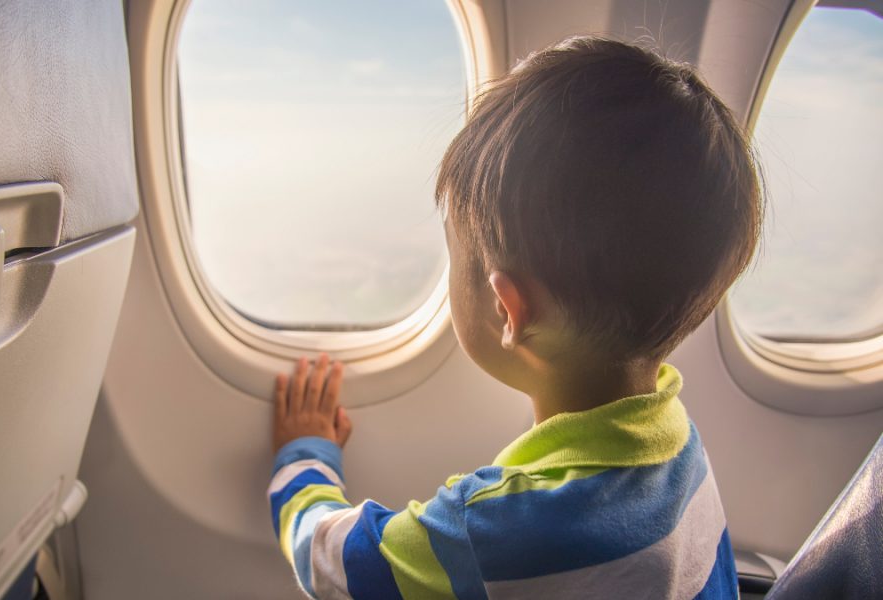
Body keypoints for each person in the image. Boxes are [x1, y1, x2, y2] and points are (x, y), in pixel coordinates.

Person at [267, 36, 762, 599]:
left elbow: (328, 560)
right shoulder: (680, 449)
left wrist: (304, 452)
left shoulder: (488, 534)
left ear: (508, 308)